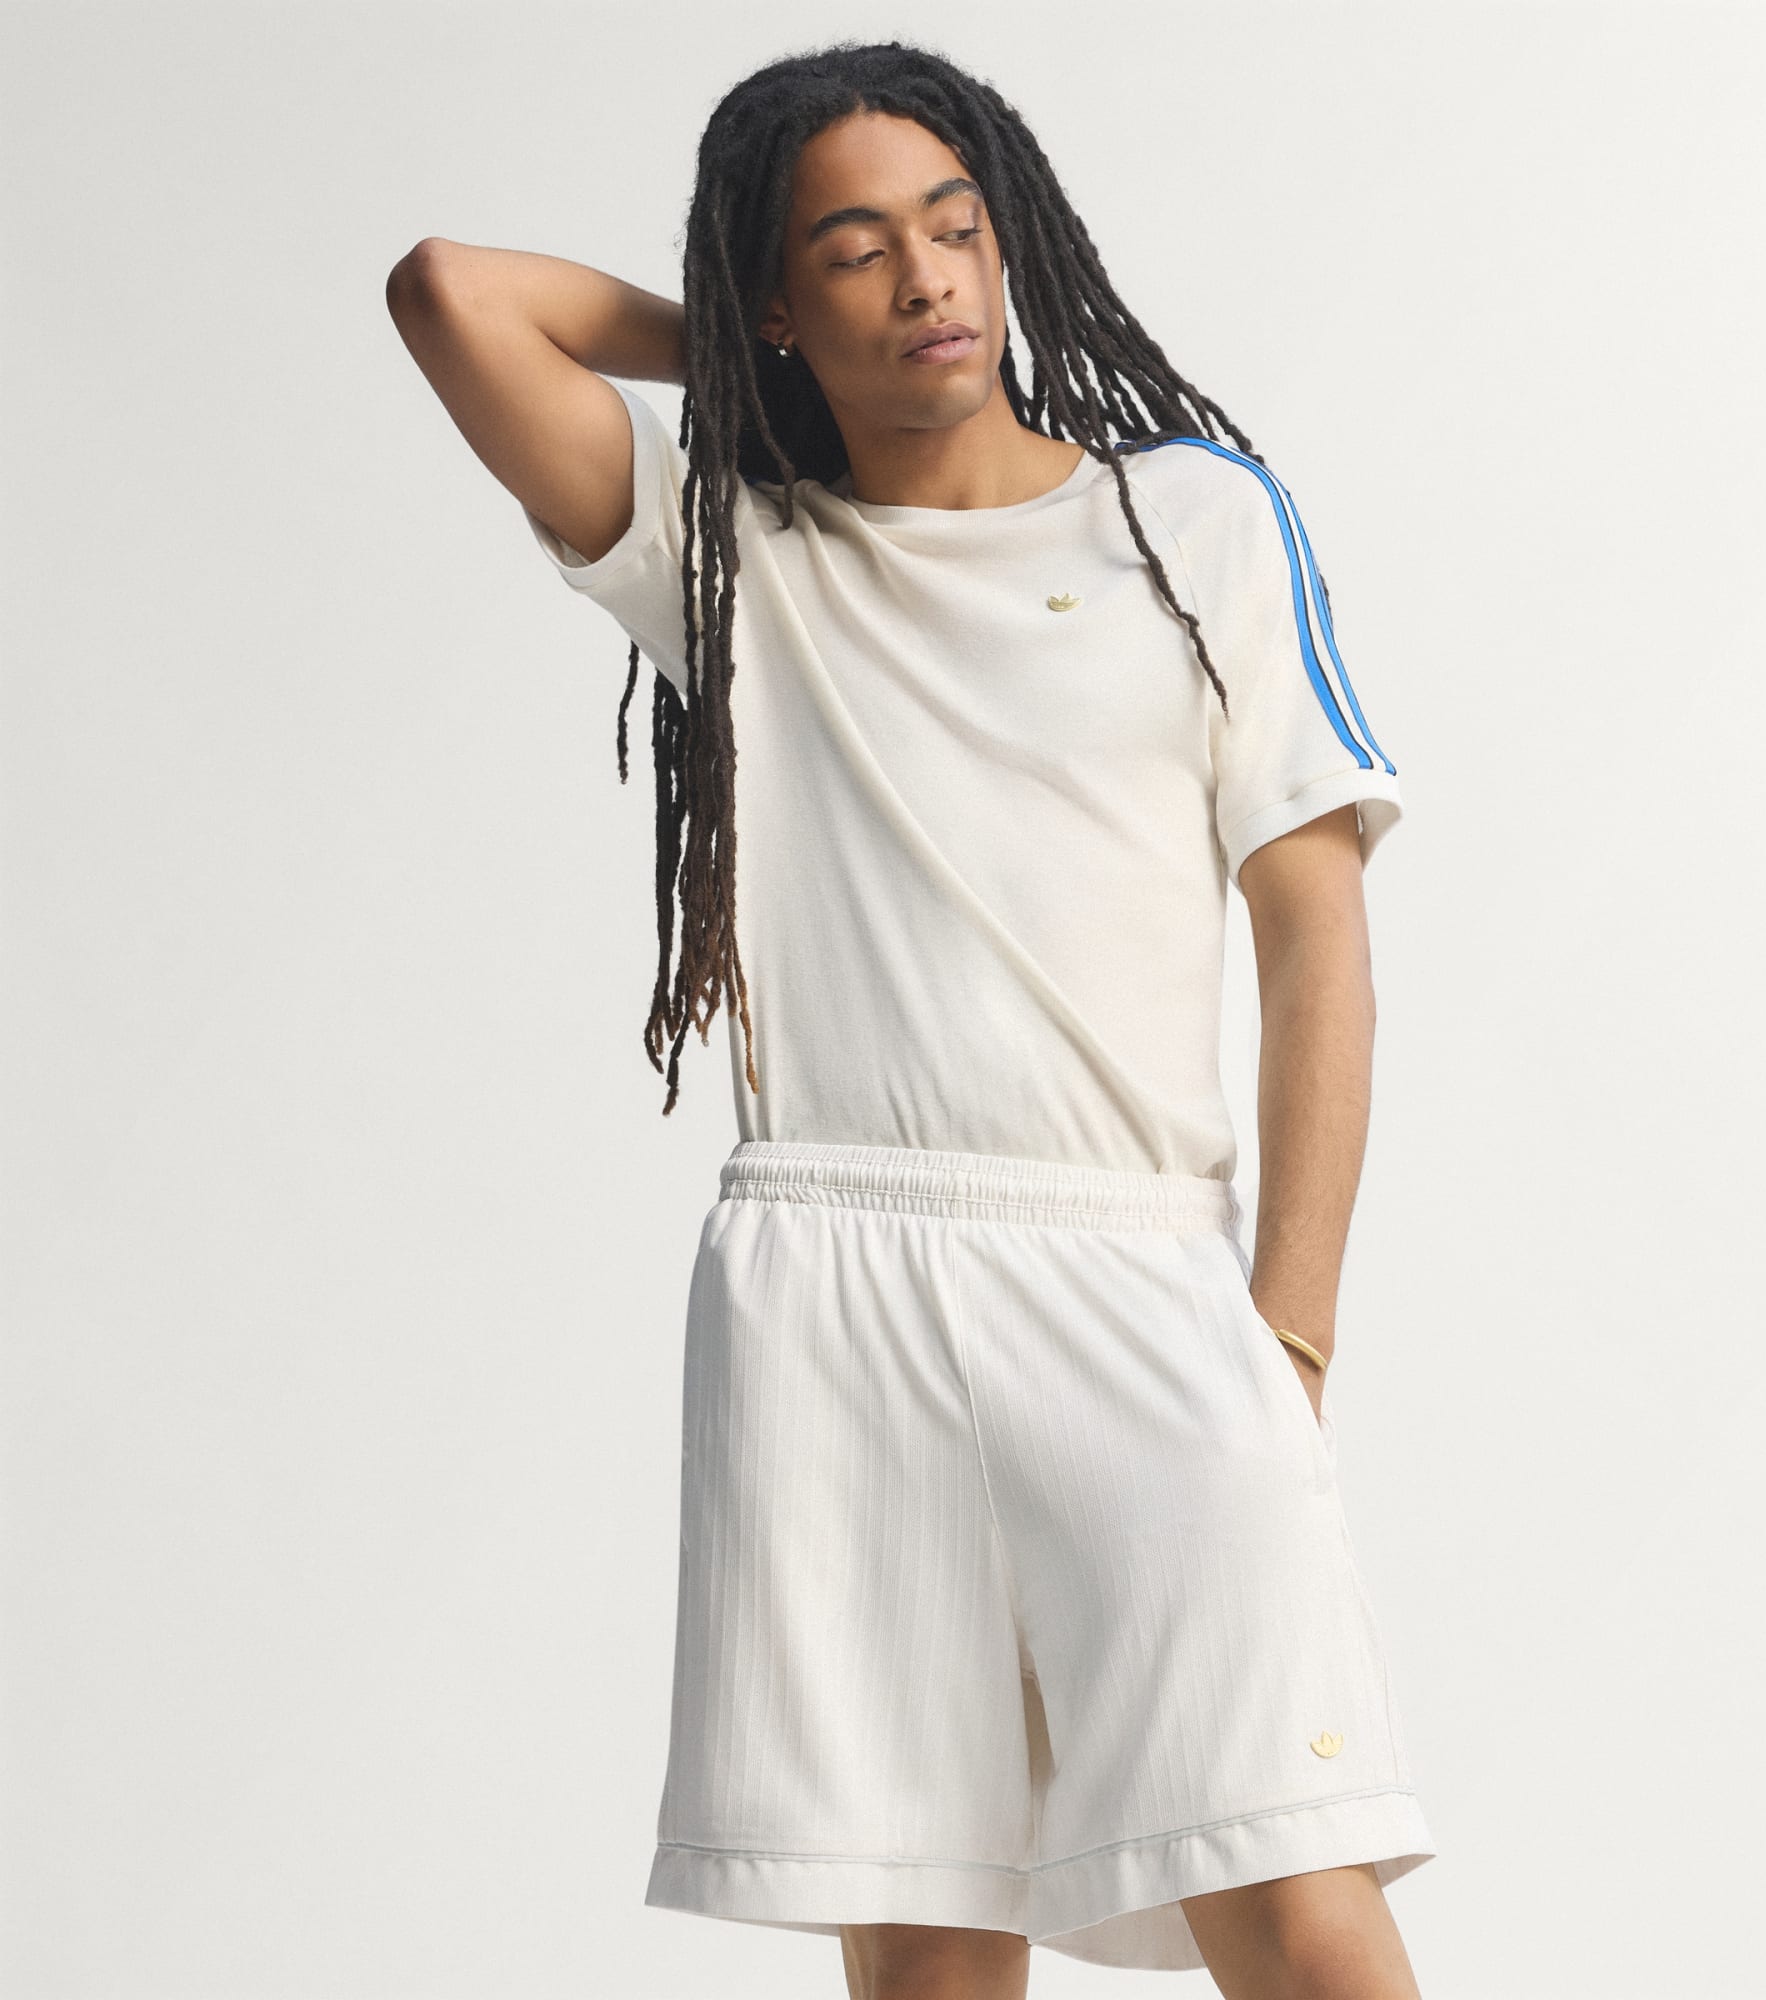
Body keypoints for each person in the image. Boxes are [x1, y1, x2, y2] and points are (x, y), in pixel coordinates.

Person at [387, 37, 1435, 1999]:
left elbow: (1317, 940)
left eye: (956, 227)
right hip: (831, 1276)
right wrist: (750, 362)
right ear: (775, 303)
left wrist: (1288, 1328)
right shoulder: (734, 552)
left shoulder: (1191, 525)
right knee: (927, 1936)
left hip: (1138, 1274)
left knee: (1300, 1901)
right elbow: (454, 293)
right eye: (855, 252)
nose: (930, 279)